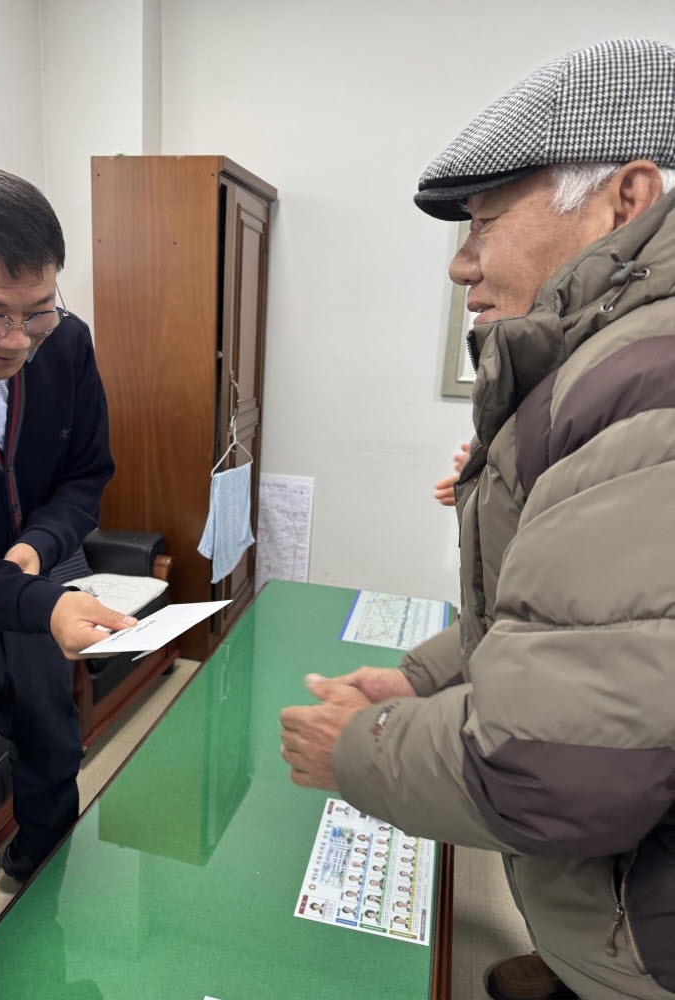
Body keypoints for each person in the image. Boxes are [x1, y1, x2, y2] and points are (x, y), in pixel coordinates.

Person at [280, 38, 675, 1000]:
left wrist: (357, 752)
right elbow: (586, 630)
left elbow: (558, 770)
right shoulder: (600, 364)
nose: (462, 264)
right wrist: (423, 675)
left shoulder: (643, 382)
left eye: (485, 223)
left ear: (628, 200)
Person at [0, 164, 136, 981]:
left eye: (36, 312)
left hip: (35, 592)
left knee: (54, 756)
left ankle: (42, 893)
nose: (16, 340)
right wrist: (34, 598)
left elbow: (86, 474)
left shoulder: (67, 345)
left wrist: (38, 553)